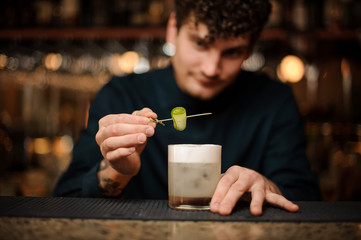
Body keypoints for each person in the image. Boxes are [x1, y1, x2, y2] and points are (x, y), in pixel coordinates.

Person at [53, 0, 322, 216]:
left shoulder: (274, 101)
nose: (211, 68)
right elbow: (66, 202)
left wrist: (267, 187)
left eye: (231, 52)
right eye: (201, 44)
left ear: (250, 50)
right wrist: (117, 171)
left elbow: (307, 202)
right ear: (173, 29)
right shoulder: (121, 95)